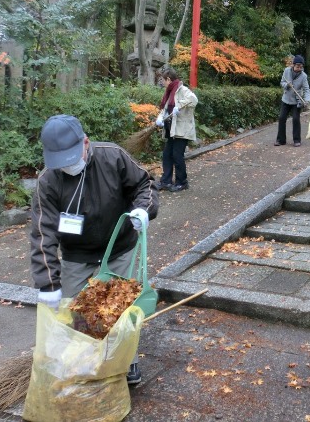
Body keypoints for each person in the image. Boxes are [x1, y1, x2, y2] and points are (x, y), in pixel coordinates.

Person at [30, 114, 159, 384]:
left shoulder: (113, 157)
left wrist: (143, 210)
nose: (67, 166)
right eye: (60, 162)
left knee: (121, 308)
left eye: (71, 158)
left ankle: (126, 362)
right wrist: (48, 283)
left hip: (119, 247)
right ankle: (86, 363)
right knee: (79, 314)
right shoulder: (48, 181)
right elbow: (44, 232)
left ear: (85, 143)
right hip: (78, 254)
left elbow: (143, 183)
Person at [155, 68, 198, 192]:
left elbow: (194, 100)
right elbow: (166, 108)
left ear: (169, 79)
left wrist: (178, 106)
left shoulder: (182, 90)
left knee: (177, 156)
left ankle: (182, 182)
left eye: (163, 80)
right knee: (167, 155)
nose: (162, 82)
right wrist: (160, 117)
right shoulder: (169, 92)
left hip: (182, 129)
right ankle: (166, 181)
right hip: (171, 129)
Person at [275, 55, 310, 147]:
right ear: (293, 65)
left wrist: (306, 100)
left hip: (296, 101)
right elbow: (282, 82)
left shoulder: (303, 76)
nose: (299, 68)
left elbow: (306, 89)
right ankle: (281, 140)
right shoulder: (286, 71)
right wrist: (287, 85)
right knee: (282, 118)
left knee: (295, 119)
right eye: (297, 66)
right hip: (286, 99)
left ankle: (297, 140)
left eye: (301, 66)